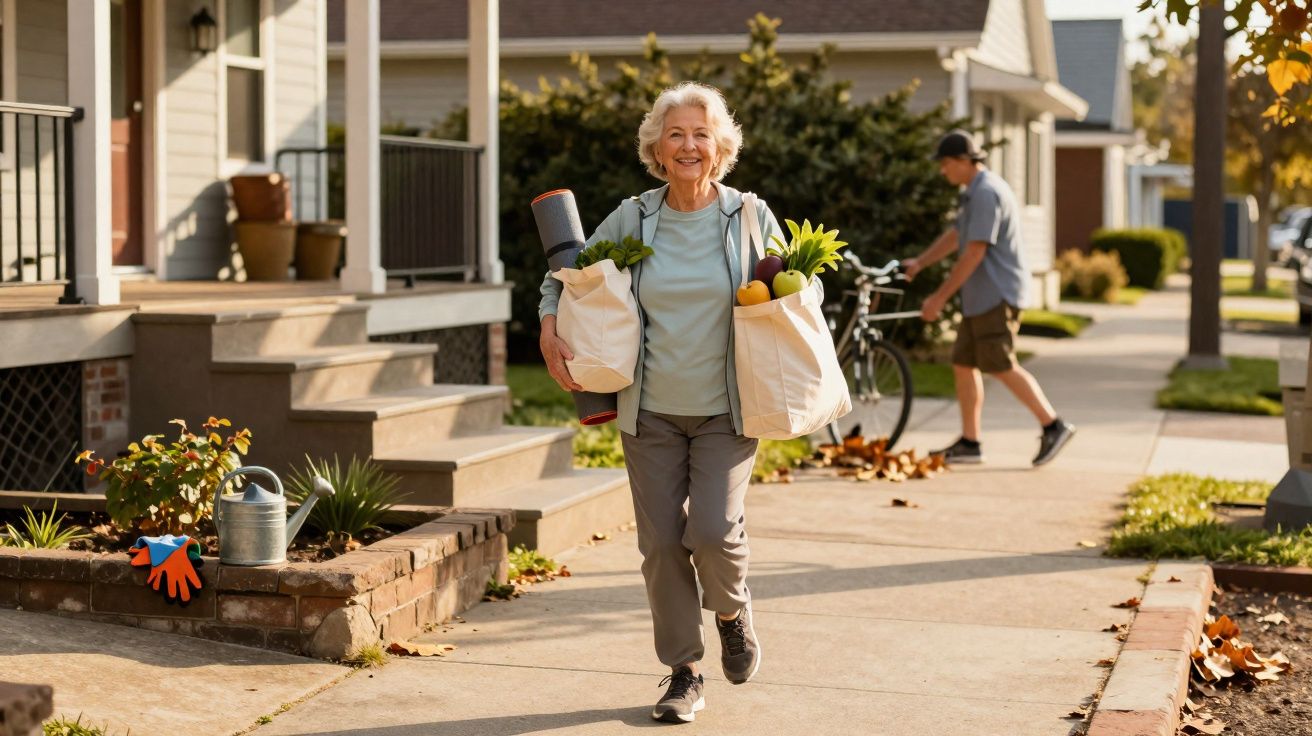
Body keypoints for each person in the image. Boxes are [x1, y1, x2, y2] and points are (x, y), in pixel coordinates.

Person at [537, 82, 804, 724]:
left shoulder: (747, 216)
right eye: (676, 134)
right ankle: (684, 672)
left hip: (727, 410)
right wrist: (550, 323)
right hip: (649, 410)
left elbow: (792, 288)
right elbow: (568, 275)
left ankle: (733, 615)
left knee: (711, 531)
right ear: (657, 146)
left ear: (720, 147)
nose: (689, 145)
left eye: (701, 134)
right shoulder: (635, 216)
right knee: (660, 547)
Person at [902, 129, 1076, 467]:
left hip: (996, 295)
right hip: (980, 297)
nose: (943, 171)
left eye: (946, 164)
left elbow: (974, 253)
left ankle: (1053, 425)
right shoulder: (973, 193)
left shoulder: (986, 194)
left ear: (964, 161)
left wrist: (938, 298)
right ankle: (970, 442)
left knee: (999, 363)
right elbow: (957, 237)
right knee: (964, 363)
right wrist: (921, 263)